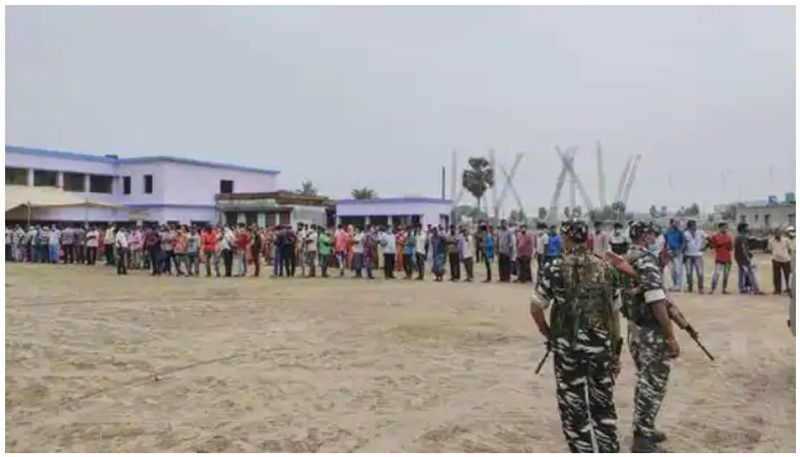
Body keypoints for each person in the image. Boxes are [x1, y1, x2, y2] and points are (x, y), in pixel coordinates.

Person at [529, 219, 622, 453]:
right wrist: (615, 353)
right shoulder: (606, 269)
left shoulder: (555, 268)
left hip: (568, 350)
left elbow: (536, 307)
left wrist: (548, 333)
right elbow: (614, 315)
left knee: (573, 407)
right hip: (601, 349)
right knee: (603, 405)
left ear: (567, 238)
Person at [622, 220, 681, 452]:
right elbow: (657, 302)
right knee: (653, 383)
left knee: (645, 380)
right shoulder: (646, 261)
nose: (656, 239)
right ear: (645, 237)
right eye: (653, 235)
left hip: (635, 329)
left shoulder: (629, 257)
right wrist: (670, 337)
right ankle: (642, 438)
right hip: (650, 331)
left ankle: (644, 427)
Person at [734, 222, 762, 294]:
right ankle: (756, 289)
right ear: (743, 228)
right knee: (750, 273)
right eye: (746, 227)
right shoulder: (743, 237)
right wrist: (748, 258)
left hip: (738, 257)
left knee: (741, 273)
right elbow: (744, 248)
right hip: (744, 257)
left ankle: (741, 288)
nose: (748, 229)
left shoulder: (737, 237)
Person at [681, 220, 706, 294]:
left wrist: (705, 246)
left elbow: (709, 239)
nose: (694, 227)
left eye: (695, 225)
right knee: (689, 273)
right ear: (688, 227)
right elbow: (684, 245)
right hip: (688, 256)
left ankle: (700, 288)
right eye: (692, 226)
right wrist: (683, 255)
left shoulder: (700, 232)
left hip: (698, 256)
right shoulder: (685, 234)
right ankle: (690, 287)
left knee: (700, 272)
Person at [707, 222, 733, 294]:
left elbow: (730, 248)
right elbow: (710, 245)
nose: (725, 229)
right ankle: (712, 288)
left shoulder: (728, 237)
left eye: (726, 227)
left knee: (726, 275)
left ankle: (724, 289)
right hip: (719, 258)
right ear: (720, 228)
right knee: (716, 274)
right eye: (723, 227)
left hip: (727, 258)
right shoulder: (715, 237)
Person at [768, 228, 793, 295]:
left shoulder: (786, 240)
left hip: (786, 259)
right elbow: (770, 249)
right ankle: (777, 289)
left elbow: (790, 249)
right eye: (776, 233)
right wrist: (774, 256)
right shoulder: (771, 241)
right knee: (776, 275)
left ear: (780, 233)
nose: (777, 234)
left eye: (778, 233)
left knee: (787, 275)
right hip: (776, 260)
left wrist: (789, 256)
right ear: (774, 234)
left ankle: (789, 288)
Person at [664, 219, 686, 292]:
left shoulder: (680, 232)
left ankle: (678, 285)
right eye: (675, 222)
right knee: (671, 270)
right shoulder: (667, 232)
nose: (677, 224)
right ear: (671, 223)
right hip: (669, 252)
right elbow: (665, 242)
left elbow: (683, 242)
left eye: (678, 223)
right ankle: (673, 285)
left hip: (677, 252)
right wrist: (667, 250)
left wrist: (680, 251)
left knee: (677, 269)